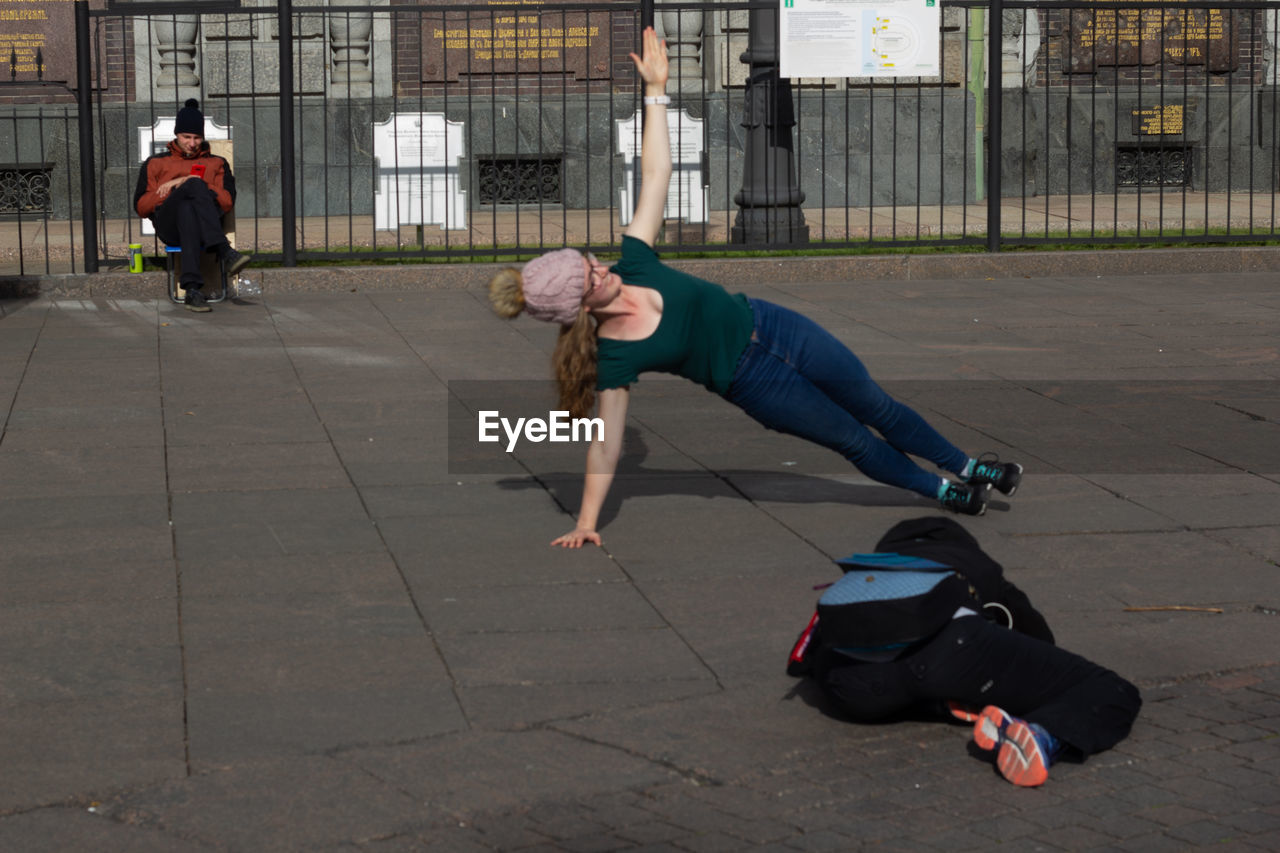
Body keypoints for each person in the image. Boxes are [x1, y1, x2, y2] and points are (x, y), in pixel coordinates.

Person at [488, 28, 1024, 548]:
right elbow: (605, 446)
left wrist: (655, 92)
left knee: (876, 405)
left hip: (772, 325)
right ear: (578, 309)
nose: (602, 270)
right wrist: (586, 520)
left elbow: (656, 175)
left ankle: (969, 465)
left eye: (591, 262)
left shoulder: (634, 260)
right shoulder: (614, 357)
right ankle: (944, 491)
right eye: (590, 280)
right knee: (852, 439)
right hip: (755, 384)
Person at [787, 517, 1143, 787]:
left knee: (896, 678)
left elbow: (805, 654)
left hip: (850, 690)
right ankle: (1045, 735)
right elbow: (1040, 637)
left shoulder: (867, 575)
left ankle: (944, 706)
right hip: (950, 653)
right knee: (1110, 688)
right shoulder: (977, 566)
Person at [133, 99, 249, 313]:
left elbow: (227, 202)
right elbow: (141, 207)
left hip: (202, 227)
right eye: (187, 137)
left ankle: (193, 290)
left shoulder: (217, 163)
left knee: (189, 205)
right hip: (169, 225)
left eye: (197, 138)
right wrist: (175, 189)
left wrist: (191, 182)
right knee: (190, 189)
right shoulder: (156, 163)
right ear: (177, 135)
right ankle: (224, 250)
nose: (192, 143)